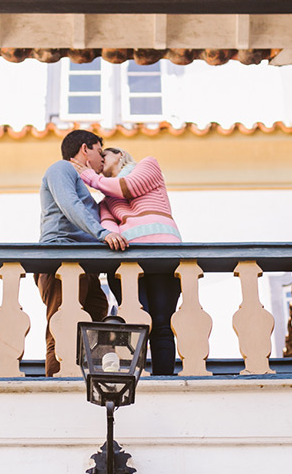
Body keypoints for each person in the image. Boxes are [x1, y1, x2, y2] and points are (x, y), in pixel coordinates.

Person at [72, 147, 183, 375]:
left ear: (120, 155)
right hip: (130, 262)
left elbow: (128, 187)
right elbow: (109, 227)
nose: (101, 160)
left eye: (106, 155)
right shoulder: (106, 200)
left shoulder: (148, 165)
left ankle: (164, 377)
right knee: (136, 324)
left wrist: (89, 176)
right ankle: (134, 379)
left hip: (163, 253)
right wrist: (112, 235)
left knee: (162, 323)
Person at [37, 130, 128, 376]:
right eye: (99, 151)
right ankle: (56, 384)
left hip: (83, 265)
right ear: (85, 149)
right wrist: (103, 234)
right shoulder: (61, 169)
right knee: (62, 326)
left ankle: (91, 377)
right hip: (61, 260)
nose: (101, 158)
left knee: (97, 312)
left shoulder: (82, 185)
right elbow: (70, 204)